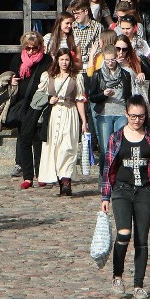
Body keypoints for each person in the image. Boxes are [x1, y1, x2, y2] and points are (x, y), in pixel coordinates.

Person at [101, 95, 150, 299]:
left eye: (140, 116)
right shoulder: (116, 137)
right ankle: (117, 276)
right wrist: (105, 196)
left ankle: (139, 284)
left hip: (145, 191)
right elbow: (107, 169)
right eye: (133, 116)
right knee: (124, 232)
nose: (136, 120)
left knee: (142, 238)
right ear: (126, 115)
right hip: (121, 190)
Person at [36, 47, 88, 196]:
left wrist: (83, 121)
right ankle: (60, 179)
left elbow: (79, 100)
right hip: (53, 114)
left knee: (68, 146)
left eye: (66, 59)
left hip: (69, 112)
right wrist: (48, 99)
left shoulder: (76, 77)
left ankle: (66, 181)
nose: (64, 62)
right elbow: (39, 94)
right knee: (55, 146)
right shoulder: (48, 76)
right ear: (57, 60)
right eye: (62, 59)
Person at [10, 32, 53, 189]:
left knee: (38, 138)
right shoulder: (17, 60)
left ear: (40, 47)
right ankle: (28, 176)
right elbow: (12, 77)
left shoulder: (47, 60)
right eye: (27, 48)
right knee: (24, 138)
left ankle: (41, 173)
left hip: (40, 103)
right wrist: (12, 81)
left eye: (34, 48)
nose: (30, 51)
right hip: (23, 103)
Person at [88, 45, 132, 176]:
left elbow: (128, 95)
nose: (110, 63)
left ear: (116, 58)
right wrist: (104, 94)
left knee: (119, 146)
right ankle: (104, 177)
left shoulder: (125, 74)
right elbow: (92, 97)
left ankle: (119, 175)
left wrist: (128, 112)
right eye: (107, 60)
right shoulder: (98, 74)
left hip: (120, 113)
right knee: (106, 148)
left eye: (112, 60)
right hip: (104, 113)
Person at [67, 0, 102, 72]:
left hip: (90, 67)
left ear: (86, 11)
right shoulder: (72, 26)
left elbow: (98, 49)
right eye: (74, 13)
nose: (75, 16)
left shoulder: (97, 27)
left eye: (78, 13)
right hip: (73, 67)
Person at [115, 35, 150, 103]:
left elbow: (138, 78)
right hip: (115, 100)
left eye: (124, 49)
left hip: (131, 99)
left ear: (128, 50)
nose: (121, 52)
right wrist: (115, 64)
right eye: (118, 48)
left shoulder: (133, 61)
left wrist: (140, 73)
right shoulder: (109, 60)